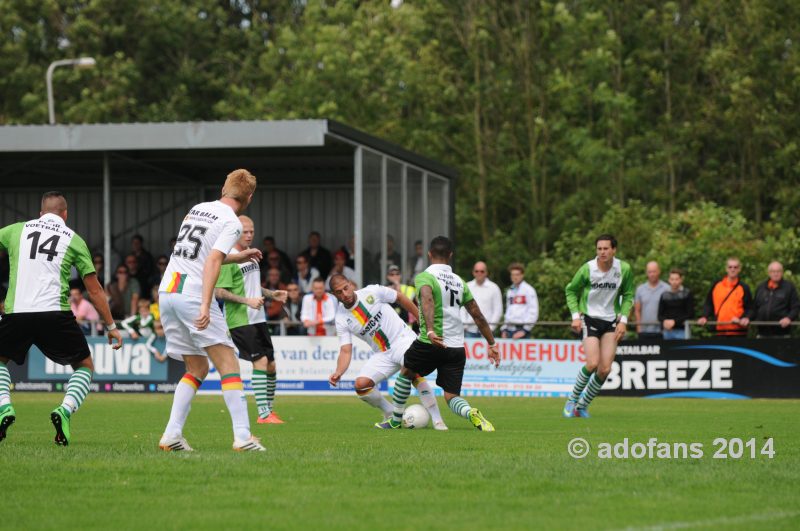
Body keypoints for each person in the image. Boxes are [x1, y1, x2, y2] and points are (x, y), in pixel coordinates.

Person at [0, 191, 123, 445]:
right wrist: (111, 326)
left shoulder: (16, 230)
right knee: (85, 367)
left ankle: (4, 406)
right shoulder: (74, 239)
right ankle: (64, 410)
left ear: (41, 213)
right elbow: (95, 290)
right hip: (55, 314)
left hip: (17, 312)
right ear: (65, 215)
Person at [157, 168, 265, 452]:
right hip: (193, 294)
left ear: (223, 188)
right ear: (249, 197)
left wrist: (238, 256)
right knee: (228, 364)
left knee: (197, 366)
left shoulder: (197, 209)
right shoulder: (233, 222)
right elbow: (212, 260)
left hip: (168, 290)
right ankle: (243, 437)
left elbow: (200, 251)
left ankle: (171, 434)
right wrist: (206, 304)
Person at [377, 236, 500, 431]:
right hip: (456, 347)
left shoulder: (425, 277)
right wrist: (492, 344)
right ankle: (471, 413)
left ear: (429, 254)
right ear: (450, 255)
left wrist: (432, 330)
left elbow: (427, 300)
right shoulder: (460, 282)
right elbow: (477, 314)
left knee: (406, 372)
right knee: (451, 396)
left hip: (430, 341)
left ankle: (395, 420)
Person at [327, 274, 447, 429]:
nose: (345, 294)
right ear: (333, 294)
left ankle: (438, 420)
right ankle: (390, 412)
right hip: (382, 353)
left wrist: (420, 319)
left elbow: (400, 297)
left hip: (403, 339)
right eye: (339, 292)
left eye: (346, 288)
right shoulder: (341, 318)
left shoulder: (372, 291)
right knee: (361, 386)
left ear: (351, 284)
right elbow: (345, 350)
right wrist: (338, 372)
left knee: (413, 371)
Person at [215, 215, 288, 424]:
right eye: (244, 232)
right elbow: (219, 292)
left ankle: (269, 411)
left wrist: (272, 294)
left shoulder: (251, 256)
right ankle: (263, 415)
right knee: (261, 362)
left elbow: (252, 287)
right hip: (240, 319)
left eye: (251, 231)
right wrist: (246, 301)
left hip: (258, 318)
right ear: (236, 232)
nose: (248, 235)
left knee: (271, 365)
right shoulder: (228, 257)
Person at [563, 234, 634, 419]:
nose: (602, 252)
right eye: (599, 249)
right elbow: (571, 290)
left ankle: (582, 406)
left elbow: (628, 295)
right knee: (592, 363)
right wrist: (575, 316)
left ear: (614, 250)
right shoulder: (588, 269)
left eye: (606, 248)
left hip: (611, 320)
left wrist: (624, 320)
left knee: (605, 369)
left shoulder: (624, 269)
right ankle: (572, 400)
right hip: (590, 318)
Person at [697, 257, 753, 337]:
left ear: (739, 269)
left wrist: (745, 318)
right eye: (730, 267)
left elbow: (750, 308)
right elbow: (709, 303)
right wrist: (704, 316)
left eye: (735, 267)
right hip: (719, 331)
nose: (732, 269)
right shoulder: (717, 285)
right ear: (726, 269)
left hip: (738, 331)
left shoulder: (744, 287)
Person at [751, 261, 800, 337]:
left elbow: (796, 307)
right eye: (773, 271)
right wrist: (747, 318)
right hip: (762, 333)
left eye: (778, 271)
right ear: (769, 273)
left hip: (782, 333)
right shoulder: (761, 287)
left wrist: (789, 318)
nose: (776, 274)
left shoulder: (789, 287)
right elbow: (754, 307)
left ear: (782, 272)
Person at [461, 261, 503, 339]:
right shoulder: (467, 286)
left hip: (488, 332)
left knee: (488, 351)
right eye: (476, 271)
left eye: (482, 271)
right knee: (468, 352)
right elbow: (462, 307)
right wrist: (465, 325)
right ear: (473, 272)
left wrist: (490, 329)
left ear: (486, 273)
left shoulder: (494, 288)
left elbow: (498, 310)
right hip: (469, 331)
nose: (479, 273)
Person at [501, 263, 539, 339]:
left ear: (522, 275)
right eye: (512, 275)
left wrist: (525, 330)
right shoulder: (510, 291)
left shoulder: (529, 290)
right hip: (509, 330)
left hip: (522, 331)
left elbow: (534, 312)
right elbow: (508, 310)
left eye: (517, 275)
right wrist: (504, 328)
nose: (515, 277)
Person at [634, 261, 670, 339]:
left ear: (659, 271)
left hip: (662, 331)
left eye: (654, 271)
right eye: (650, 272)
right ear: (647, 273)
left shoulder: (667, 288)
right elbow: (637, 310)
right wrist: (639, 328)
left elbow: (670, 310)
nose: (652, 274)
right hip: (644, 331)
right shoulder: (640, 289)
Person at [658, 268, 694, 340]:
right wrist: (665, 321)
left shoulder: (687, 293)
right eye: (672, 279)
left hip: (682, 331)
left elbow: (690, 314)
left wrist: (674, 322)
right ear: (669, 280)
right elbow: (660, 315)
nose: (674, 282)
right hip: (667, 331)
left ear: (681, 280)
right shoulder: (664, 295)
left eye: (676, 279)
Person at [264, 267, 288, 332]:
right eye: (271, 275)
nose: (274, 277)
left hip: (277, 317)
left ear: (279, 277)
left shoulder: (283, 288)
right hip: (263, 316)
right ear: (268, 277)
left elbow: (281, 306)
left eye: (276, 275)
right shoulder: (263, 286)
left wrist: (270, 310)